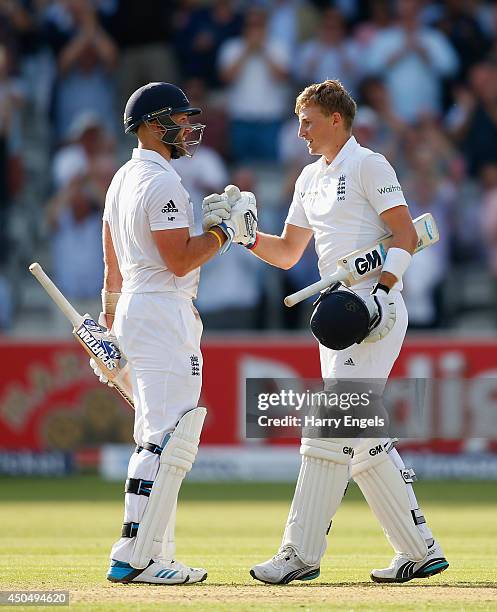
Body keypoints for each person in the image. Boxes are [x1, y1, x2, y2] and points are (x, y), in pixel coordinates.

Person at [218, 80, 449, 584]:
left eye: (307, 120)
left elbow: (405, 233)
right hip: (337, 314)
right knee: (361, 438)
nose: (299, 131)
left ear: (336, 119)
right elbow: (286, 254)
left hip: (375, 307)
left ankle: (299, 554)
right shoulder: (307, 179)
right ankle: (419, 549)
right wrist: (245, 236)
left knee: (330, 426)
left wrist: (385, 291)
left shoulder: (369, 164)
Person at [90, 82, 256, 584]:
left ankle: (156, 553)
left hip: (138, 309)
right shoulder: (161, 182)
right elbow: (179, 258)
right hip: (163, 310)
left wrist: (111, 325)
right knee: (168, 438)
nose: (187, 128)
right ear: (149, 125)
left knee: (157, 434)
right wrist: (227, 233)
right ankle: (133, 555)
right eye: (178, 120)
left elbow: (112, 262)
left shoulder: (122, 178)